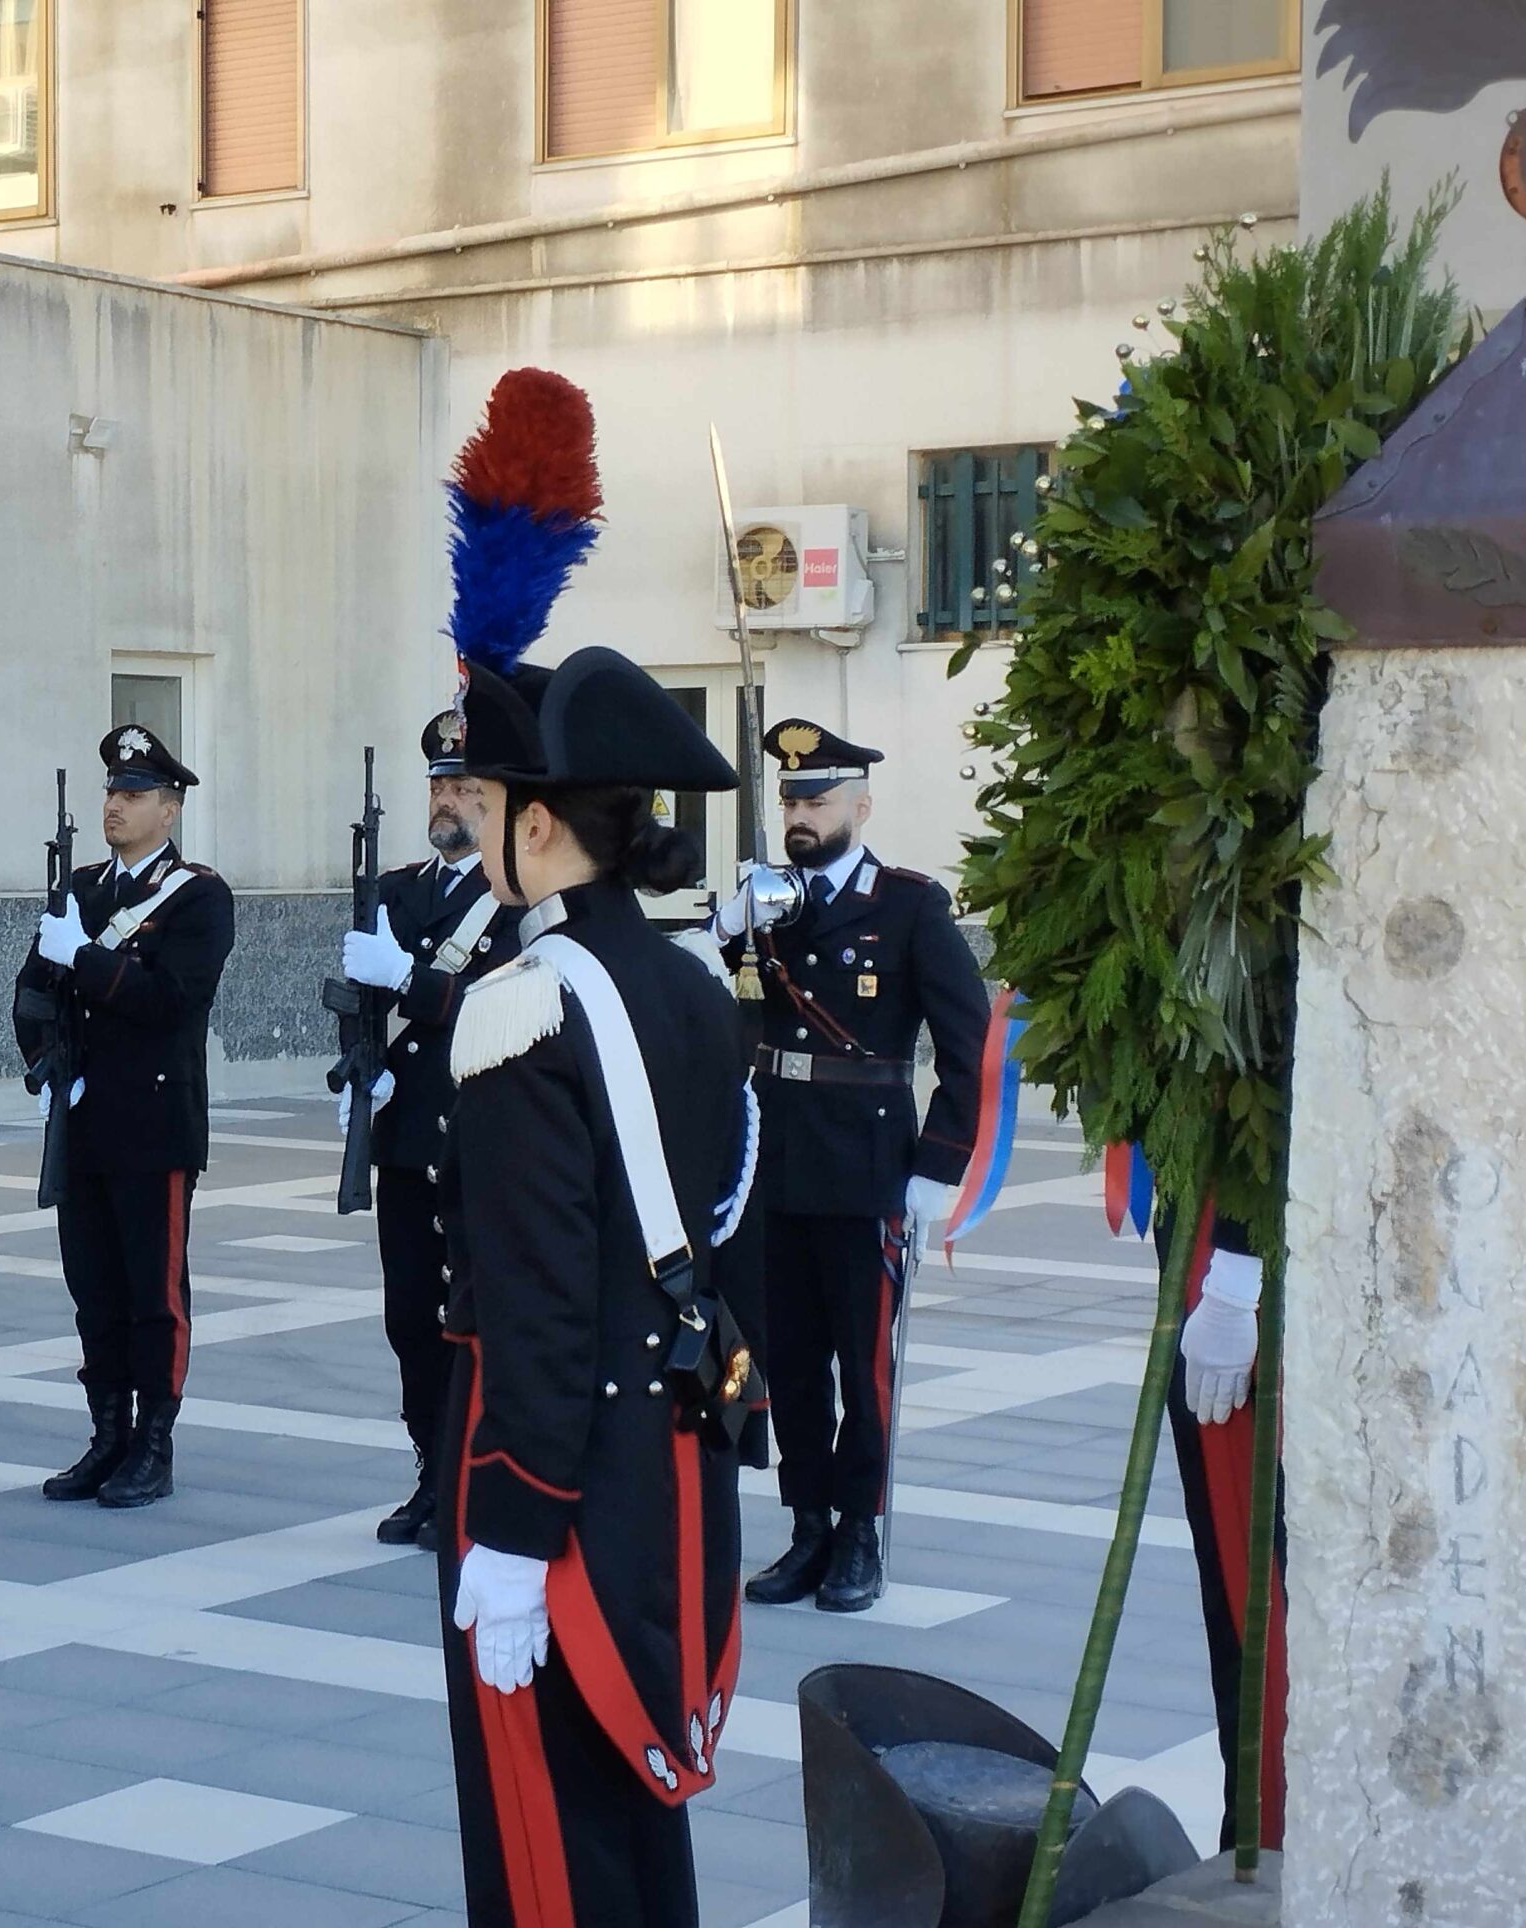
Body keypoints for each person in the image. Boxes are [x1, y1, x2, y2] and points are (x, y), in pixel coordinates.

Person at [439, 644, 758, 1927]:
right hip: (665, 1454)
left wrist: (512, 1526)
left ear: (536, 823)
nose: (469, 828)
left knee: (545, 1842)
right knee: (634, 1816)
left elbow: (538, 1294)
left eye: (486, 802)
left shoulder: (520, 1003)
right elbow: (724, 1196)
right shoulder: (682, 981)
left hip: (555, 1470)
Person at [725, 718, 988, 1614]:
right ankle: (807, 1528)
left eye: (817, 798)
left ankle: (860, 1533)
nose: (800, 814)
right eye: (790, 799)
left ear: (860, 807)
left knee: (862, 1368)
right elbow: (723, 1023)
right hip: (776, 1161)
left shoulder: (908, 906)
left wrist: (936, 1168)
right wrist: (722, 934)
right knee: (789, 1361)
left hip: (867, 1165)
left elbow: (968, 1046)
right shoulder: (762, 904)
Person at [13, 725, 235, 1509]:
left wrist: (86, 959)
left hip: (153, 1121)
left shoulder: (200, 896)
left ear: (169, 811)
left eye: (134, 795)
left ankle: (154, 1442)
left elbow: (172, 1001)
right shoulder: (81, 889)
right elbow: (32, 990)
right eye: (113, 792)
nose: (117, 805)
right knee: (95, 1291)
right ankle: (106, 1434)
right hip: (83, 1121)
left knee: (153, 1294)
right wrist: (43, 1066)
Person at [331, 709, 521, 1548]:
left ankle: (476, 1481)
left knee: (470, 1319)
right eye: (440, 785)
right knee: (409, 1316)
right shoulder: (400, 890)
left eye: (465, 787)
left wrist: (407, 976)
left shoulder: (516, 896)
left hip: (479, 1134)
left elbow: (505, 1004)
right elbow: (360, 1003)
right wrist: (353, 1071)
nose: (448, 799)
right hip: (405, 1136)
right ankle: (429, 1470)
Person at [1169, 1213, 1285, 1852]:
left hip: (1241, 1248)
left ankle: (1273, 1837)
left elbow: (1271, 1111)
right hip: (1208, 1245)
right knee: (1234, 1592)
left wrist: (1237, 1273)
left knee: (1261, 1591)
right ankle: (1254, 1826)